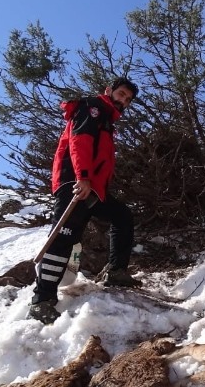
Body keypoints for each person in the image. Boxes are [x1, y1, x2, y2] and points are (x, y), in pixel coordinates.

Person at [28, 77, 141, 324]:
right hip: (76, 183)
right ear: (109, 90)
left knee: (122, 216)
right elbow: (80, 142)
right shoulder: (93, 108)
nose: (123, 101)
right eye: (121, 94)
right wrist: (83, 177)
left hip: (93, 189)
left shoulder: (106, 119)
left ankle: (116, 271)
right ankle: (41, 300)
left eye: (128, 99)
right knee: (63, 237)